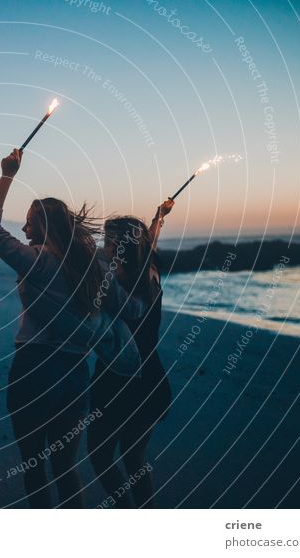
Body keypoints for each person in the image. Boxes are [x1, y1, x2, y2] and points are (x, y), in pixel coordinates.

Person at [0, 149, 145, 508]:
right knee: (66, 469)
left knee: (34, 468)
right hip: (74, 375)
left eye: (30, 223)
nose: (24, 229)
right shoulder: (95, 269)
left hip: (35, 370)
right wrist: (142, 271)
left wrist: (8, 174)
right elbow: (134, 309)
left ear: (47, 227)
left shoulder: (38, 262)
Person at [87, 199, 175, 508]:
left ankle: (126, 511)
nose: (103, 244)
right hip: (151, 378)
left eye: (107, 238)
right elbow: (147, 245)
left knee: (99, 455)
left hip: (118, 379)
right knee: (134, 456)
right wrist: (158, 219)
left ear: (116, 244)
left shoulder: (114, 283)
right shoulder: (149, 271)